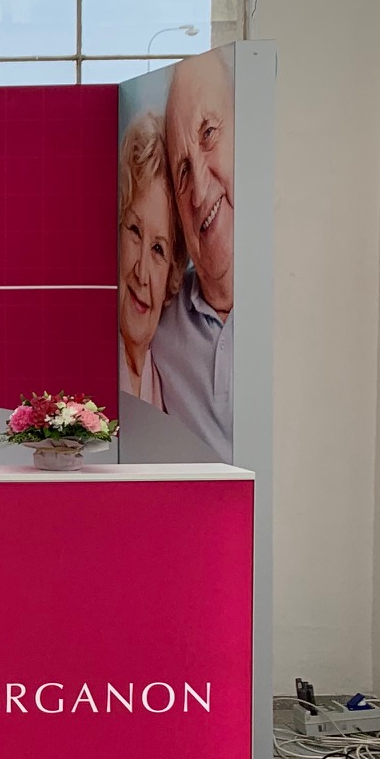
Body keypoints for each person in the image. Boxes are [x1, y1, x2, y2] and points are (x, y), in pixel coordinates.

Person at [150, 50, 235, 459]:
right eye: (183, 172)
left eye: (209, 134)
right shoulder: (157, 321)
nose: (199, 193)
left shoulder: (297, 305)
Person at [116, 114, 176, 407]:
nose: (142, 273)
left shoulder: (172, 387)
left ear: (173, 274)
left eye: (158, 249)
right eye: (135, 231)